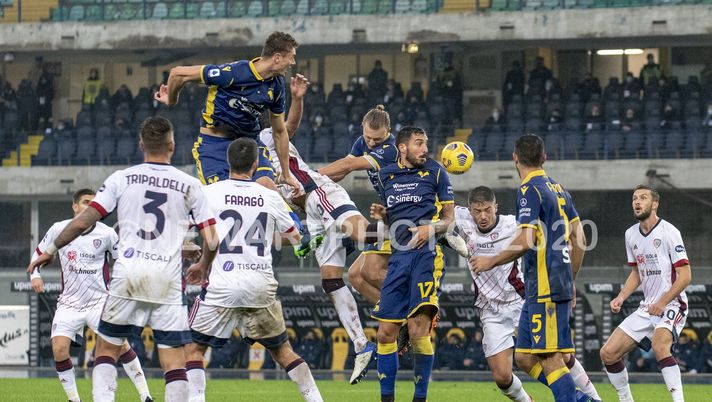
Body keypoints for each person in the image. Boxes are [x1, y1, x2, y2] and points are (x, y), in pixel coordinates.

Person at [28, 116, 219, 402]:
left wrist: (51, 249)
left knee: (106, 350)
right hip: (167, 280)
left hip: (128, 275)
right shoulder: (190, 185)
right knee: (173, 361)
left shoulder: (122, 178)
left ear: (141, 144)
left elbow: (83, 222)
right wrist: (203, 265)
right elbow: (213, 239)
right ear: (172, 145)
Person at [184, 138, 322, 402]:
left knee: (193, 350)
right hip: (260, 284)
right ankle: (316, 399)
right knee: (283, 352)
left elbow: (197, 231)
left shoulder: (208, 193)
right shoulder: (269, 196)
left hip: (222, 285)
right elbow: (296, 239)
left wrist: (193, 255)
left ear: (228, 162)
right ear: (256, 164)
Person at [471, 134, 597, 402]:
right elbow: (580, 239)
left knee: (551, 359)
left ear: (515, 158)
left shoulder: (529, 190)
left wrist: (490, 261)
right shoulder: (560, 189)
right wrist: (570, 279)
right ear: (544, 158)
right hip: (544, 288)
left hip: (544, 287)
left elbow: (526, 240)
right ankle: (584, 400)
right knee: (525, 357)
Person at [260, 107, 380, 384]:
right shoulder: (256, 154)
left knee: (363, 234)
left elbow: (286, 126)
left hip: (318, 192)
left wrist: (297, 99)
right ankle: (362, 345)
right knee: (330, 281)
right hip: (310, 213)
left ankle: (417, 231)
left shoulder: (265, 136)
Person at [28, 189, 152, 402]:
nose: (90, 206)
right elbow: (39, 254)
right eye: (86, 202)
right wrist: (35, 276)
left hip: (100, 302)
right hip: (69, 303)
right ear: (74, 206)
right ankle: (74, 399)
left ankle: (145, 395)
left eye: (94, 203)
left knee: (122, 347)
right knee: (59, 349)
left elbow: (122, 261)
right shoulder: (59, 229)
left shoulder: (107, 233)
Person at [154, 31, 302, 193]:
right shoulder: (233, 73)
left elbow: (279, 131)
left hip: (249, 145)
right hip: (215, 145)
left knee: (268, 190)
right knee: (224, 197)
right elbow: (177, 73)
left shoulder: (277, 86)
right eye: (292, 57)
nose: (293, 63)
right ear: (277, 57)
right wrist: (172, 99)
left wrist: (286, 174)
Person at [371, 126, 455, 402]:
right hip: (398, 257)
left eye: (426, 143)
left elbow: (449, 220)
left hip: (427, 255)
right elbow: (393, 220)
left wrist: (431, 229)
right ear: (402, 148)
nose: (425, 149)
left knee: (418, 329)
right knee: (385, 334)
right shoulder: (385, 176)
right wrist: (384, 215)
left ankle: (420, 399)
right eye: (419, 143)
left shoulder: (436, 172)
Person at [599, 185, 691, 402]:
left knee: (660, 346)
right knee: (608, 353)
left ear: (655, 204)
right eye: (634, 199)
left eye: (643, 198)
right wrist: (621, 297)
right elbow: (636, 273)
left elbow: (686, 276)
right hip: (647, 307)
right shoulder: (630, 234)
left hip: (672, 304)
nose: (637, 202)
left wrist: (662, 302)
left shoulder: (669, 232)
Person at [454, 186, 532, 401]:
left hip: (519, 301)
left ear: (496, 207)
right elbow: (438, 207)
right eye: (477, 211)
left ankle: (583, 394)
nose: (483, 216)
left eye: (487, 210)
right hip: (489, 309)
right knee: (502, 377)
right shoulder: (462, 219)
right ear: (470, 210)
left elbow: (536, 235)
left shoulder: (513, 224)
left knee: (546, 357)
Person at [318, 106, 398, 306]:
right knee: (355, 276)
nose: (371, 143)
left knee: (371, 272)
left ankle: (412, 305)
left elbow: (349, 166)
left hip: (399, 212)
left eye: (377, 139)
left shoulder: (391, 149)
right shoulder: (361, 142)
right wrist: (315, 186)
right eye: (368, 137)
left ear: (388, 131)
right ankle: (394, 314)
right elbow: (341, 172)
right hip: (386, 213)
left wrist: (310, 176)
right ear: (362, 127)